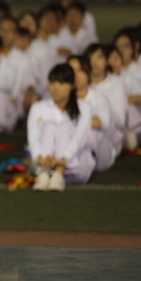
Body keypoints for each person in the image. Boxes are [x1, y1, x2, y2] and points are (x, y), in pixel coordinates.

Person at [28, 63, 95, 192]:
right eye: (52, 83)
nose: (55, 88)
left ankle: (58, 174)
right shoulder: (38, 107)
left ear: (72, 86)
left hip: (75, 168)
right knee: (49, 125)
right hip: (45, 166)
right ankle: (44, 175)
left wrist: (63, 159)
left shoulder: (84, 108)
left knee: (63, 126)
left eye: (62, 83)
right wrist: (39, 158)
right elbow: (33, 136)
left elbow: (79, 139)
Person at [67, 55, 116, 172]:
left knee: (91, 131)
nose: (75, 75)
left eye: (79, 70)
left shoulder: (98, 97)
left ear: (88, 73)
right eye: (71, 71)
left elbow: (98, 122)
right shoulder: (63, 97)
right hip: (75, 150)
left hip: (102, 154)